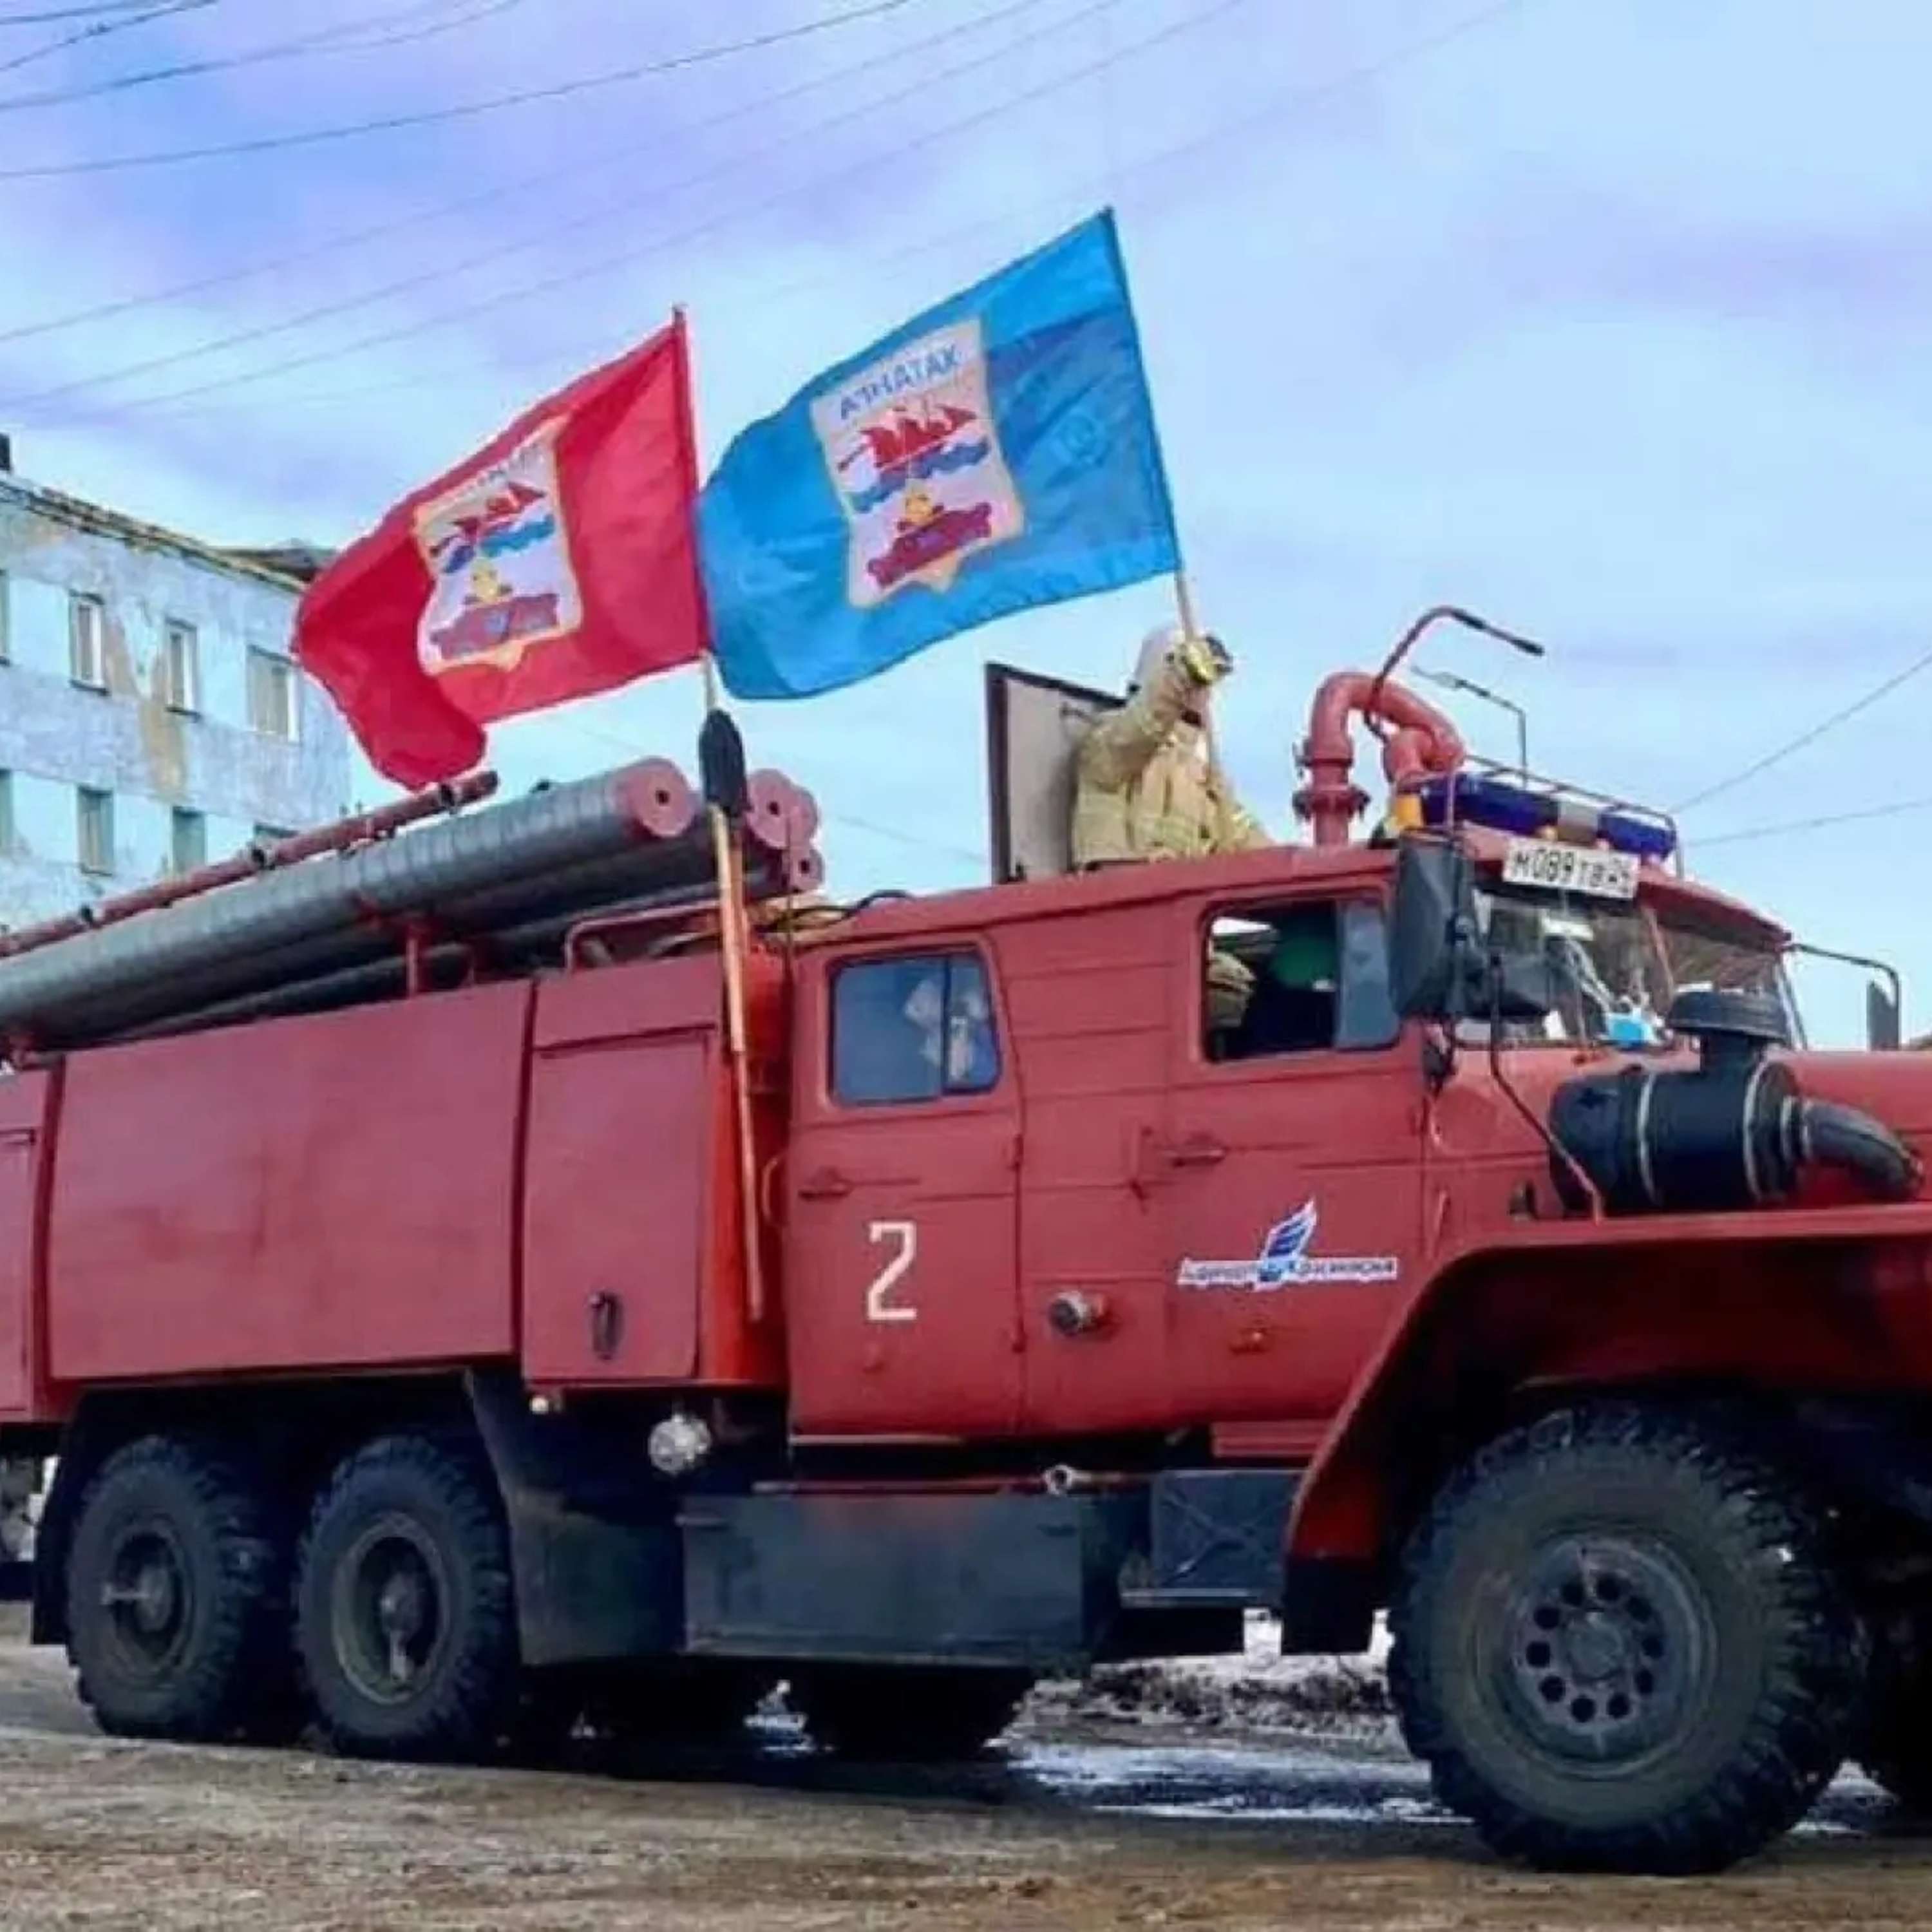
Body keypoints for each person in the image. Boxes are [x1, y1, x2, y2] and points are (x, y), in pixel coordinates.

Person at [1070, 624, 1268, 869]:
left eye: (1207, 680)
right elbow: (1142, 727)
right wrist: (1183, 675)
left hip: (1174, 902)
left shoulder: (1205, 781)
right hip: (1116, 899)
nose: (1204, 689)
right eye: (1198, 678)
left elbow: (1259, 852)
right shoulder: (1108, 739)